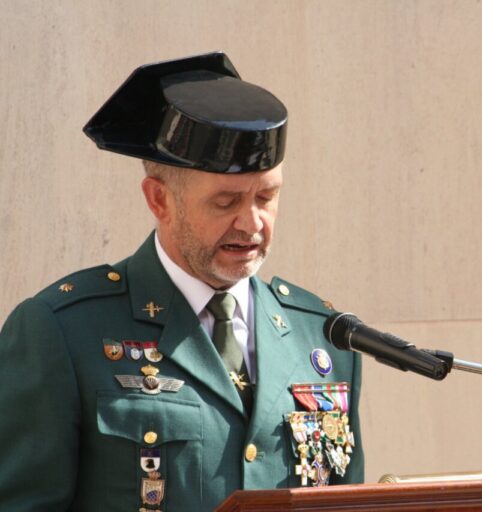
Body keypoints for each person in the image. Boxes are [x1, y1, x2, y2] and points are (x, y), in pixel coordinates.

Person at [0, 52, 363, 511]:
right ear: (159, 200)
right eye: (226, 201)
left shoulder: (325, 338)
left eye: (267, 196)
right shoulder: (62, 330)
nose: (251, 223)